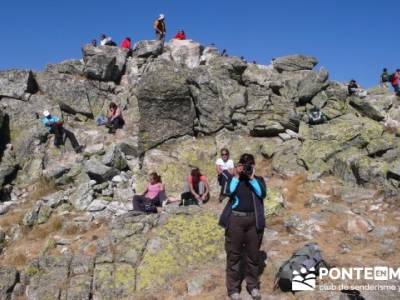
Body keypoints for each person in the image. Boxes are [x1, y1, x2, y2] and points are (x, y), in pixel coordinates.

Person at [219, 153, 267, 300]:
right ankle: (233, 289)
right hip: (236, 221)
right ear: (239, 166)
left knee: (253, 255)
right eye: (244, 164)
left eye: (250, 164)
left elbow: (262, 193)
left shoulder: (258, 180)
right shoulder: (234, 179)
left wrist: (251, 177)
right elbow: (227, 192)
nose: (247, 167)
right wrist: (236, 176)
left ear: (254, 165)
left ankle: (253, 286)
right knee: (234, 256)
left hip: (253, 221)